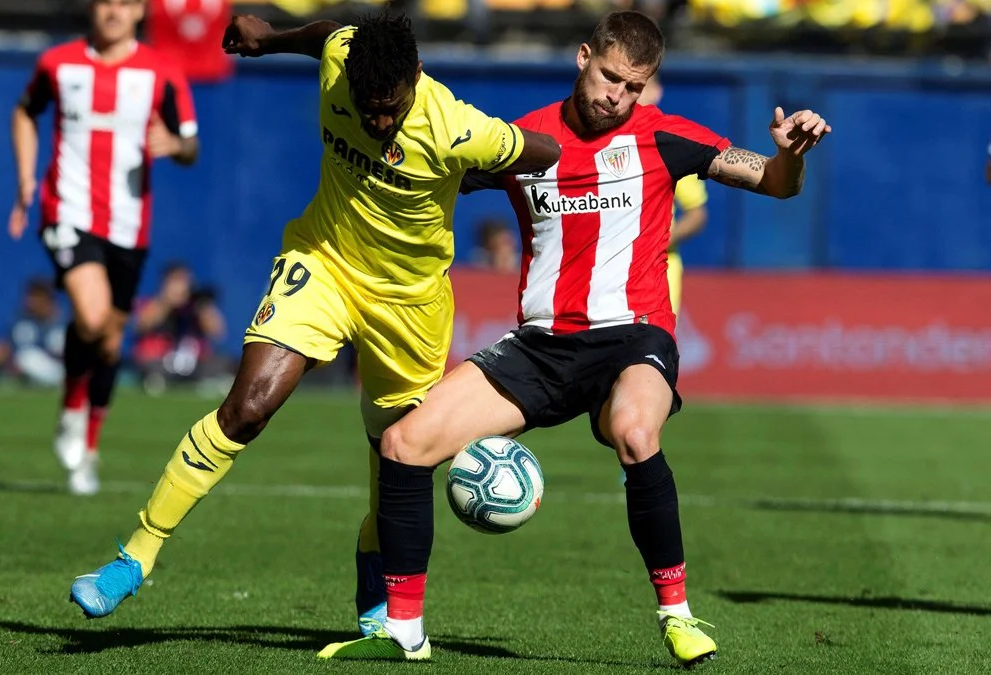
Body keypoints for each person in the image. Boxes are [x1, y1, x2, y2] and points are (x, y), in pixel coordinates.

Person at [319, 10, 830, 665]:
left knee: (635, 432)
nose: (618, 96)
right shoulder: (522, 140)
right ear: (584, 56)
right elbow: (424, 173)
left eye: (634, 86)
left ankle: (677, 615)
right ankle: (403, 632)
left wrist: (789, 155)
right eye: (611, 77)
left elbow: (776, 183)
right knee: (403, 444)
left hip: (633, 338)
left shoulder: (666, 136)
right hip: (541, 347)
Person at [67, 10, 561, 644]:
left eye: (390, 110)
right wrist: (270, 39)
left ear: (415, 76)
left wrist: (477, 176)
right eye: (367, 108)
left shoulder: (458, 127)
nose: (377, 123)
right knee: (247, 408)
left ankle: (373, 579)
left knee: (397, 456)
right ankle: (135, 556)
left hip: (409, 305)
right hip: (322, 263)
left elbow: (547, 152)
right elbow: (329, 31)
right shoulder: (339, 62)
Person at [8, 0, 200, 496]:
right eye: (105, 1)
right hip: (68, 211)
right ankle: (72, 405)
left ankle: (89, 448)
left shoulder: (162, 71)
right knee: (92, 318)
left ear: (140, 11)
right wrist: (26, 180)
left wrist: (175, 144)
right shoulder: (58, 63)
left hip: (128, 227)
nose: (114, 11)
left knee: (111, 341)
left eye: (125, 2)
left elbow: (190, 145)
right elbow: (25, 112)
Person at [638, 73, 708, 316]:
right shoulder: (603, 140)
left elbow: (696, 213)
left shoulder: (668, 144)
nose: (634, 93)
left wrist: (658, 242)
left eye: (642, 86)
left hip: (656, 275)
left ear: (657, 91)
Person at [132, 263, 233, 394]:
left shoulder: (196, 305)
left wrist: (202, 306)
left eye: (185, 281)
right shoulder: (151, 303)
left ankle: (207, 381)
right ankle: (157, 380)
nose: (181, 287)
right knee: (148, 366)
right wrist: (166, 302)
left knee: (223, 363)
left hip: (194, 362)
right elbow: (141, 326)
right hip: (160, 361)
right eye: (176, 281)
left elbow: (218, 333)